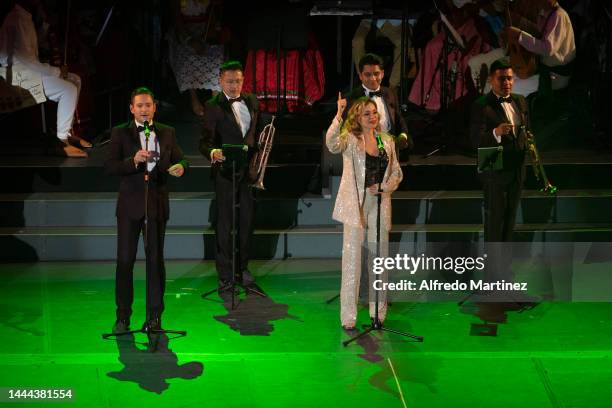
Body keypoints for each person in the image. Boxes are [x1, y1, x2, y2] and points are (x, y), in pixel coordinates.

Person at [105, 87, 188, 332]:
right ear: (132, 109)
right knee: (125, 261)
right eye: (139, 106)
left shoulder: (167, 132)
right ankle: (123, 315)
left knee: (155, 261)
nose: (144, 110)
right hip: (130, 206)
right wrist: (134, 161)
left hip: (156, 205)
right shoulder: (120, 133)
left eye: (148, 105)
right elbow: (110, 166)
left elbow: (181, 159)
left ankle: (154, 316)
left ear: (154, 108)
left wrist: (180, 167)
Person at [326, 96, 403, 330]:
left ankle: (378, 313)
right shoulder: (350, 139)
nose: (372, 117)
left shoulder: (387, 141)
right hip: (355, 204)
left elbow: (397, 173)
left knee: (379, 259)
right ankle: (348, 317)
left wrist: (385, 187)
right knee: (352, 260)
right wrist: (338, 115)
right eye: (366, 114)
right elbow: (331, 144)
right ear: (358, 118)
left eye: (374, 113)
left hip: (379, 202)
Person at [199, 60, 261, 295]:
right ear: (220, 81)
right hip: (225, 171)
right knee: (225, 224)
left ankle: (243, 269)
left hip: (248, 171)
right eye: (229, 81)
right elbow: (204, 140)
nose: (234, 86)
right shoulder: (213, 106)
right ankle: (225, 275)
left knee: (246, 221)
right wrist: (213, 152)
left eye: (238, 81)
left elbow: (257, 132)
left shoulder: (252, 101)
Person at [0, 0, 90, 157]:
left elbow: (31, 51)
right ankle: (61, 141)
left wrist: (45, 26)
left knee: (74, 79)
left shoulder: (25, 17)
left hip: (26, 70)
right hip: (17, 75)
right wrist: (55, 71)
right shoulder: (18, 19)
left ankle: (67, 133)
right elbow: (26, 59)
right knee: (68, 89)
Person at [470, 59, 528, 242]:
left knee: (510, 220)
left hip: (517, 167)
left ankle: (505, 268)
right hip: (493, 165)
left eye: (510, 78)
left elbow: (527, 131)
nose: (506, 83)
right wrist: (496, 132)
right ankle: (493, 270)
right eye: (501, 79)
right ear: (491, 80)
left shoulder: (520, 101)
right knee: (495, 221)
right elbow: (475, 140)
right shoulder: (481, 104)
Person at [167, 0, 228, 117]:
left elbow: (214, 14)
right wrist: (189, 39)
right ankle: (193, 98)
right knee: (189, 57)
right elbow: (177, 21)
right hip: (185, 32)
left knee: (216, 57)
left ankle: (215, 99)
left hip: (206, 30)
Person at [342, 53, 413, 152]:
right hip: (364, 152)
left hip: (391, 149)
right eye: (368, 74)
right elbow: (346, 131)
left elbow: (398, 119)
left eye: (376, 73)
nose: (373, 79)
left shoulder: (390, 93)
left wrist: (403, 135)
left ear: (382, 74)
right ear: (360, 76)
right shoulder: (351, 99)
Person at [505, 0, 576, 97]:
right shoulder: (545, 12)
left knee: (506, 86)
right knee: (502, 74)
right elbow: (539, 34)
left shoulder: (558, 16)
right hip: (544, 67)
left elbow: (547, 49)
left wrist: (519, 36)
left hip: (555, 75)